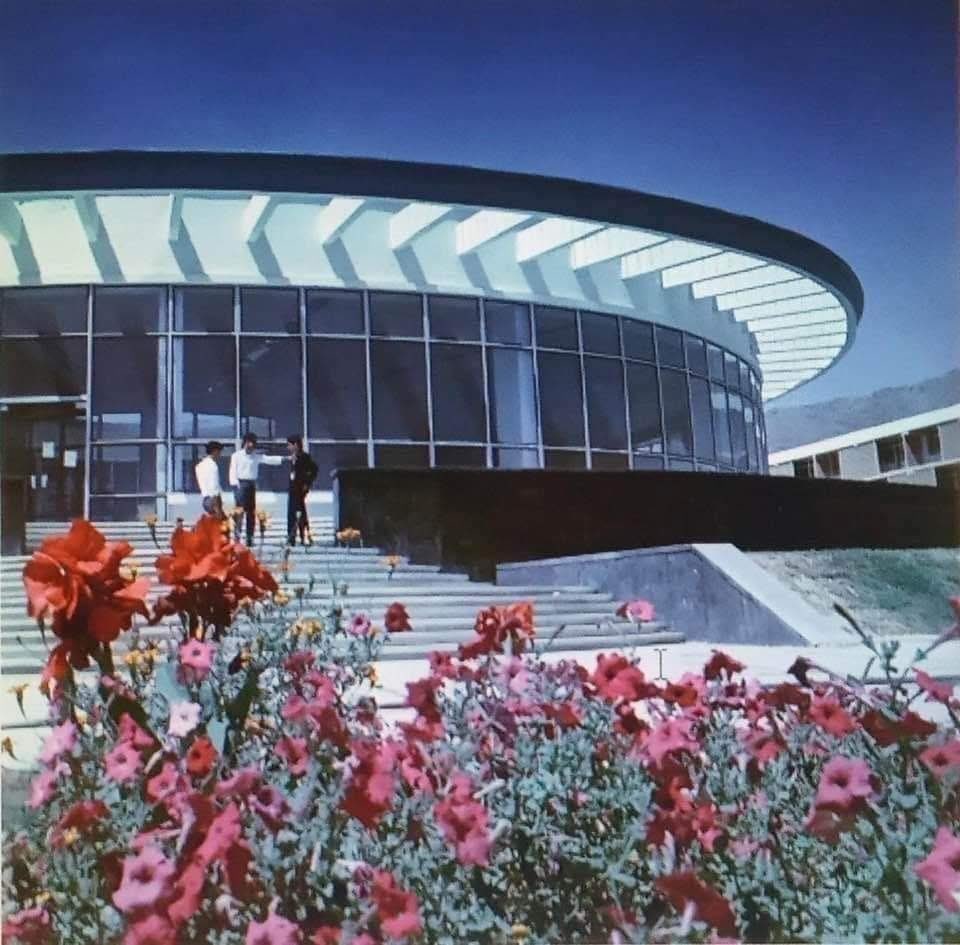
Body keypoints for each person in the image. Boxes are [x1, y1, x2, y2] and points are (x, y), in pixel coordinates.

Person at [228, 433, 283, 545]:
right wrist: (235, 486)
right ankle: (237, 538)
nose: (251, 445)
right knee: (239, 513)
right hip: (240, 485)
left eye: (253, 443)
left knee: (251, 513)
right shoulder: (236, 456)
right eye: (249, 442)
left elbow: (268, 459)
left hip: (251, 485)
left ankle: (250, 538)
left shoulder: (255, 456)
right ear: (245, 443)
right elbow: (232, 472)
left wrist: (284, 458)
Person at [286, 434, 319, 546]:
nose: (288, 447)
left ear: (296, 444)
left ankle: (303, 536)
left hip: (300, 489)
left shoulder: (305, 457)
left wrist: (307, 483)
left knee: (300, 513)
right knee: (291, 513)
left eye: (289, 445)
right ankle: (291, 537)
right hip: (292, 488)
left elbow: (314, 470)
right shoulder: (292, 457)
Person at [195, 441, 225, 519]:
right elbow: (213, 486)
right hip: (213, 500)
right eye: (219, 452)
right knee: (221, 525)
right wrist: (217, 507)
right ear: (215, 451)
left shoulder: (200, 465)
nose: (220, 455)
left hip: (205, 499)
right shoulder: (212, 466)